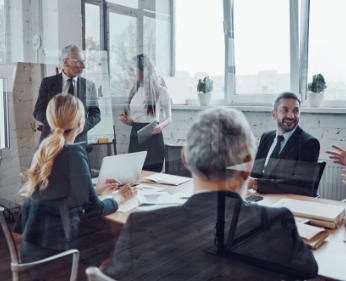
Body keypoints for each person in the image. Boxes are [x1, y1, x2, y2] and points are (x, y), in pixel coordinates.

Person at [104, 107, 318, 280]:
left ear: (185, 158)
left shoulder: (138, 225)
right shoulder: (277, 222)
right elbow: (308, 271)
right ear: (248, 165)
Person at [14, 94, 137, 279]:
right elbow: (95, 210)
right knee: (108, 236)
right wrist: (121, 197)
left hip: (32, 250)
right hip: (60, 257)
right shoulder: (74, 153)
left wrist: (95, 190)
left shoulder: (42, 149)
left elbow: (56, 192)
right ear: (81, 123)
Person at [249, 92, 320, 196]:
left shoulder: (309, 143)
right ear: (274, 114)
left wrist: (256, 183)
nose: (291, 116)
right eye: (285, 110)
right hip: (259, 196)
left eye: (295, 111)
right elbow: (256, 171)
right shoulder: (266, 137)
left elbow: (301, 184)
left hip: (286, 201)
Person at [34, 45, 100, 144]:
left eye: (84, 61)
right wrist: (55, 124)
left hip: (78, 140)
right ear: (65, 62)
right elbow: (38, 111)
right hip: (51, 140)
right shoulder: (48, 83)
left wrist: (81, 127)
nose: (84, 66)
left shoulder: (89, 86)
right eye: (79, 61)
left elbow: (96, 114)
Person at [119, 54, 172, 172]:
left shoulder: (161, 91)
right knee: (134, 174)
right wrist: (127, 121)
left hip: (153, 136)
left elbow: (169, 117)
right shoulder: (132, 91)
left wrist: (160, 126)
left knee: (152, 176)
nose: (130, 72)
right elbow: (136, 119)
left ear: (144, 70)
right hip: (135, 136)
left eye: (133, 69)